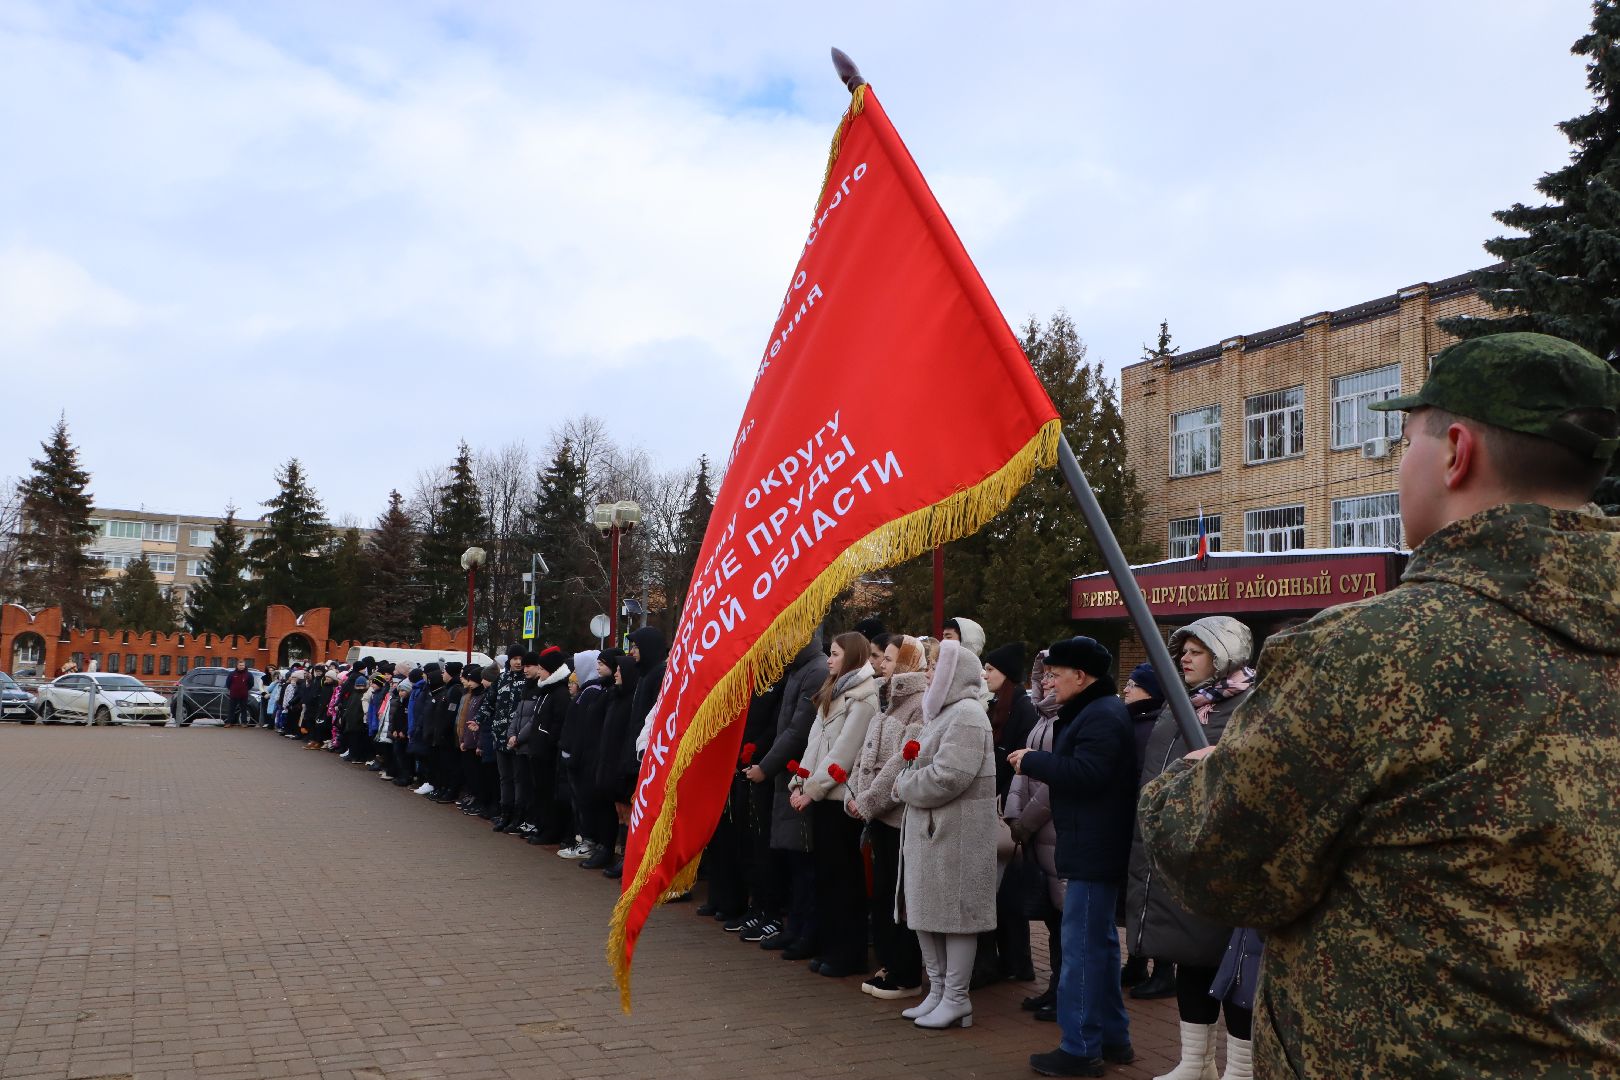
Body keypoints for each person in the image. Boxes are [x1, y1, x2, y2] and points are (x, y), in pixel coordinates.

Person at [1139, 332, 1620, 1078]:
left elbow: (1216, 865)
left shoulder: (1368, 653)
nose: (1398, 466)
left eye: (1404, 442)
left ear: (1456, 452)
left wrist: (1194, 779)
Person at [1124, 616, 1254, 1080]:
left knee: (1235, 967)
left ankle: (1241, 1069)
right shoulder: (1181, 704)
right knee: (1190, 958)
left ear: (1225, 654)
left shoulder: (1249, 707)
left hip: (1221, 858)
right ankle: (1196, 1063)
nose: (1185, 658)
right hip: (1176, 855)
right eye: (1184, 650)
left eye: (1197, 651)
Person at [1011, 635, 1137, 1078]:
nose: (1048, 682)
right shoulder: (1096, 709)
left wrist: (1033, 761)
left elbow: (1088, 773)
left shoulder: (1100, 714)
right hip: (1091, 843)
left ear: (1081, 676)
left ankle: (1080, 1047)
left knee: (1082, 949)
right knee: (1099, 945)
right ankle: (1114, 1038)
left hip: (1093, 846)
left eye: (1056, 674)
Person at [892, 638, 998, 1031]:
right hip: (933, 833)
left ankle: (956, 998)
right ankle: (938, 992)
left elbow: (949, 776)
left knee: (957, 917)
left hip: (957, 835)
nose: (928, 672)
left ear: (955, 673)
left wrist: (904, 785)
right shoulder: (943, 714)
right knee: (928, 913)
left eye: (935, 666)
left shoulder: (968, 714)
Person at [787, 630, 878, 979]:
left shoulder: (863, 697)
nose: (829, 659)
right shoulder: (833, 691)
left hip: (840, 798)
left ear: (851, 656)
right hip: (822, 795)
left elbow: (845, 751)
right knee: (827, 875)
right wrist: (800, 780)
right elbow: (816, 741)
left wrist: (813, 789)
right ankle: (831, 946)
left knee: (844, 879)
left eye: (836, 654)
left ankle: (848, 953)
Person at [846, 634, 928, 1000]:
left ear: (908, 663)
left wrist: (869, 800)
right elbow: (866, 754)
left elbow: (902, 762)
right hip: (877, 815)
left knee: (898, 897)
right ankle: (889, 963)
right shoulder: (887, 699)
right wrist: (855, 793)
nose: (883, 665)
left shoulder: (918, 705)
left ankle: (905, 971)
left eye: (891, 659)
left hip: (898, 816)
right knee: (881, 894)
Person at [747, 632, 829, 957]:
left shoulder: (816, 670)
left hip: (800, 775)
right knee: (793, 859)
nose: (778, 644)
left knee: (804, 861)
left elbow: (798, 730)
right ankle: (794, 928)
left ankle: (806, 932)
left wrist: (765, 767)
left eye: (784, 636)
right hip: (789, 776)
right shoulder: (799, 669)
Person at [979, 641, 1039, 989]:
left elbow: (1017, 765)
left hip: (1008, 810)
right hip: (996, 805)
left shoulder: (1023, 710)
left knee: (1009, 892)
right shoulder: (996, 707)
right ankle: (1010, 960)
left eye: (991, 669)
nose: (985, 674)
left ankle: (1019, 962)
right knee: (999, 891)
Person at [1120, 663, 1172, 998]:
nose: (1125, 690)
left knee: (1156, 897)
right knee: (1136, 894)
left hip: (1149, 823)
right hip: (1130, 819)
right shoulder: (1132, 721)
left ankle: (1164, 970)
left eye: (1132, 684)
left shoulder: (1157, 726)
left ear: (1150, 691)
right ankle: (1137, 961)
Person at [490, 648, 525, 832]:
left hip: (518, 737)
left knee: (518, 778)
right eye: (514, 658)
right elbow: (489, 702)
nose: (518, 662)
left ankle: (517, 817)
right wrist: (478, 720)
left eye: (521, 659)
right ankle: (505, 813)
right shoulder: (502, 678)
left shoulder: (527, 680)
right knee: (505, 778)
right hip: (500, 735)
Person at [224, 659, 253, 728]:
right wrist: (232, 689)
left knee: (243, 709)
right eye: (240, 665)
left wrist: (245, 689)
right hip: (234, 695)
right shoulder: (232, 674)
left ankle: (244, 723)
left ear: (245, 666)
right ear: (237, 666)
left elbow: (251, 684)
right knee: (231, 709)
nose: (241, 667)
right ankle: (229, 723)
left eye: (243, 665)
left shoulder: (249, 674)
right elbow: (228, 684)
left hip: (243, 695)